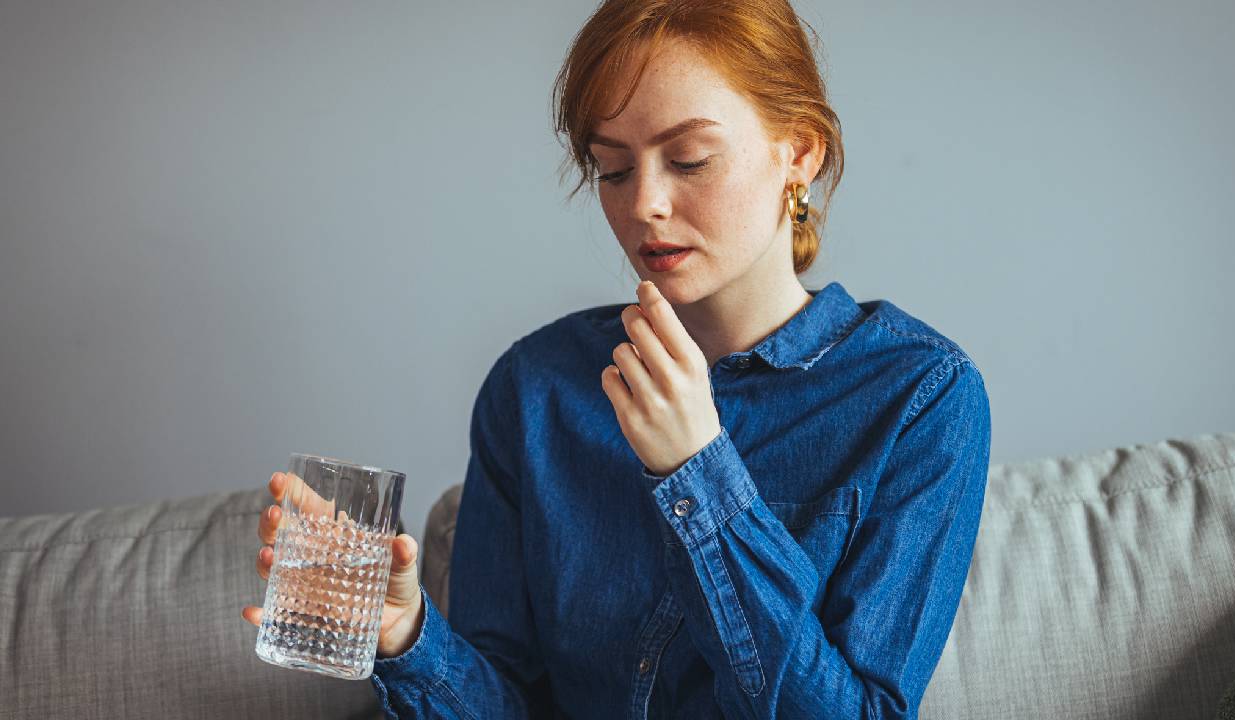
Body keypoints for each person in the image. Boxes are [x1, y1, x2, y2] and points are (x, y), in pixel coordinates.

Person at [243, 1, 992, 717]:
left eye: (689, 159)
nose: (644, 206)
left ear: (799, 152)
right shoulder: (535, 389)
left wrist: (698, 473)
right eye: (613, 169)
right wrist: (406, 636)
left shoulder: (920, 397)